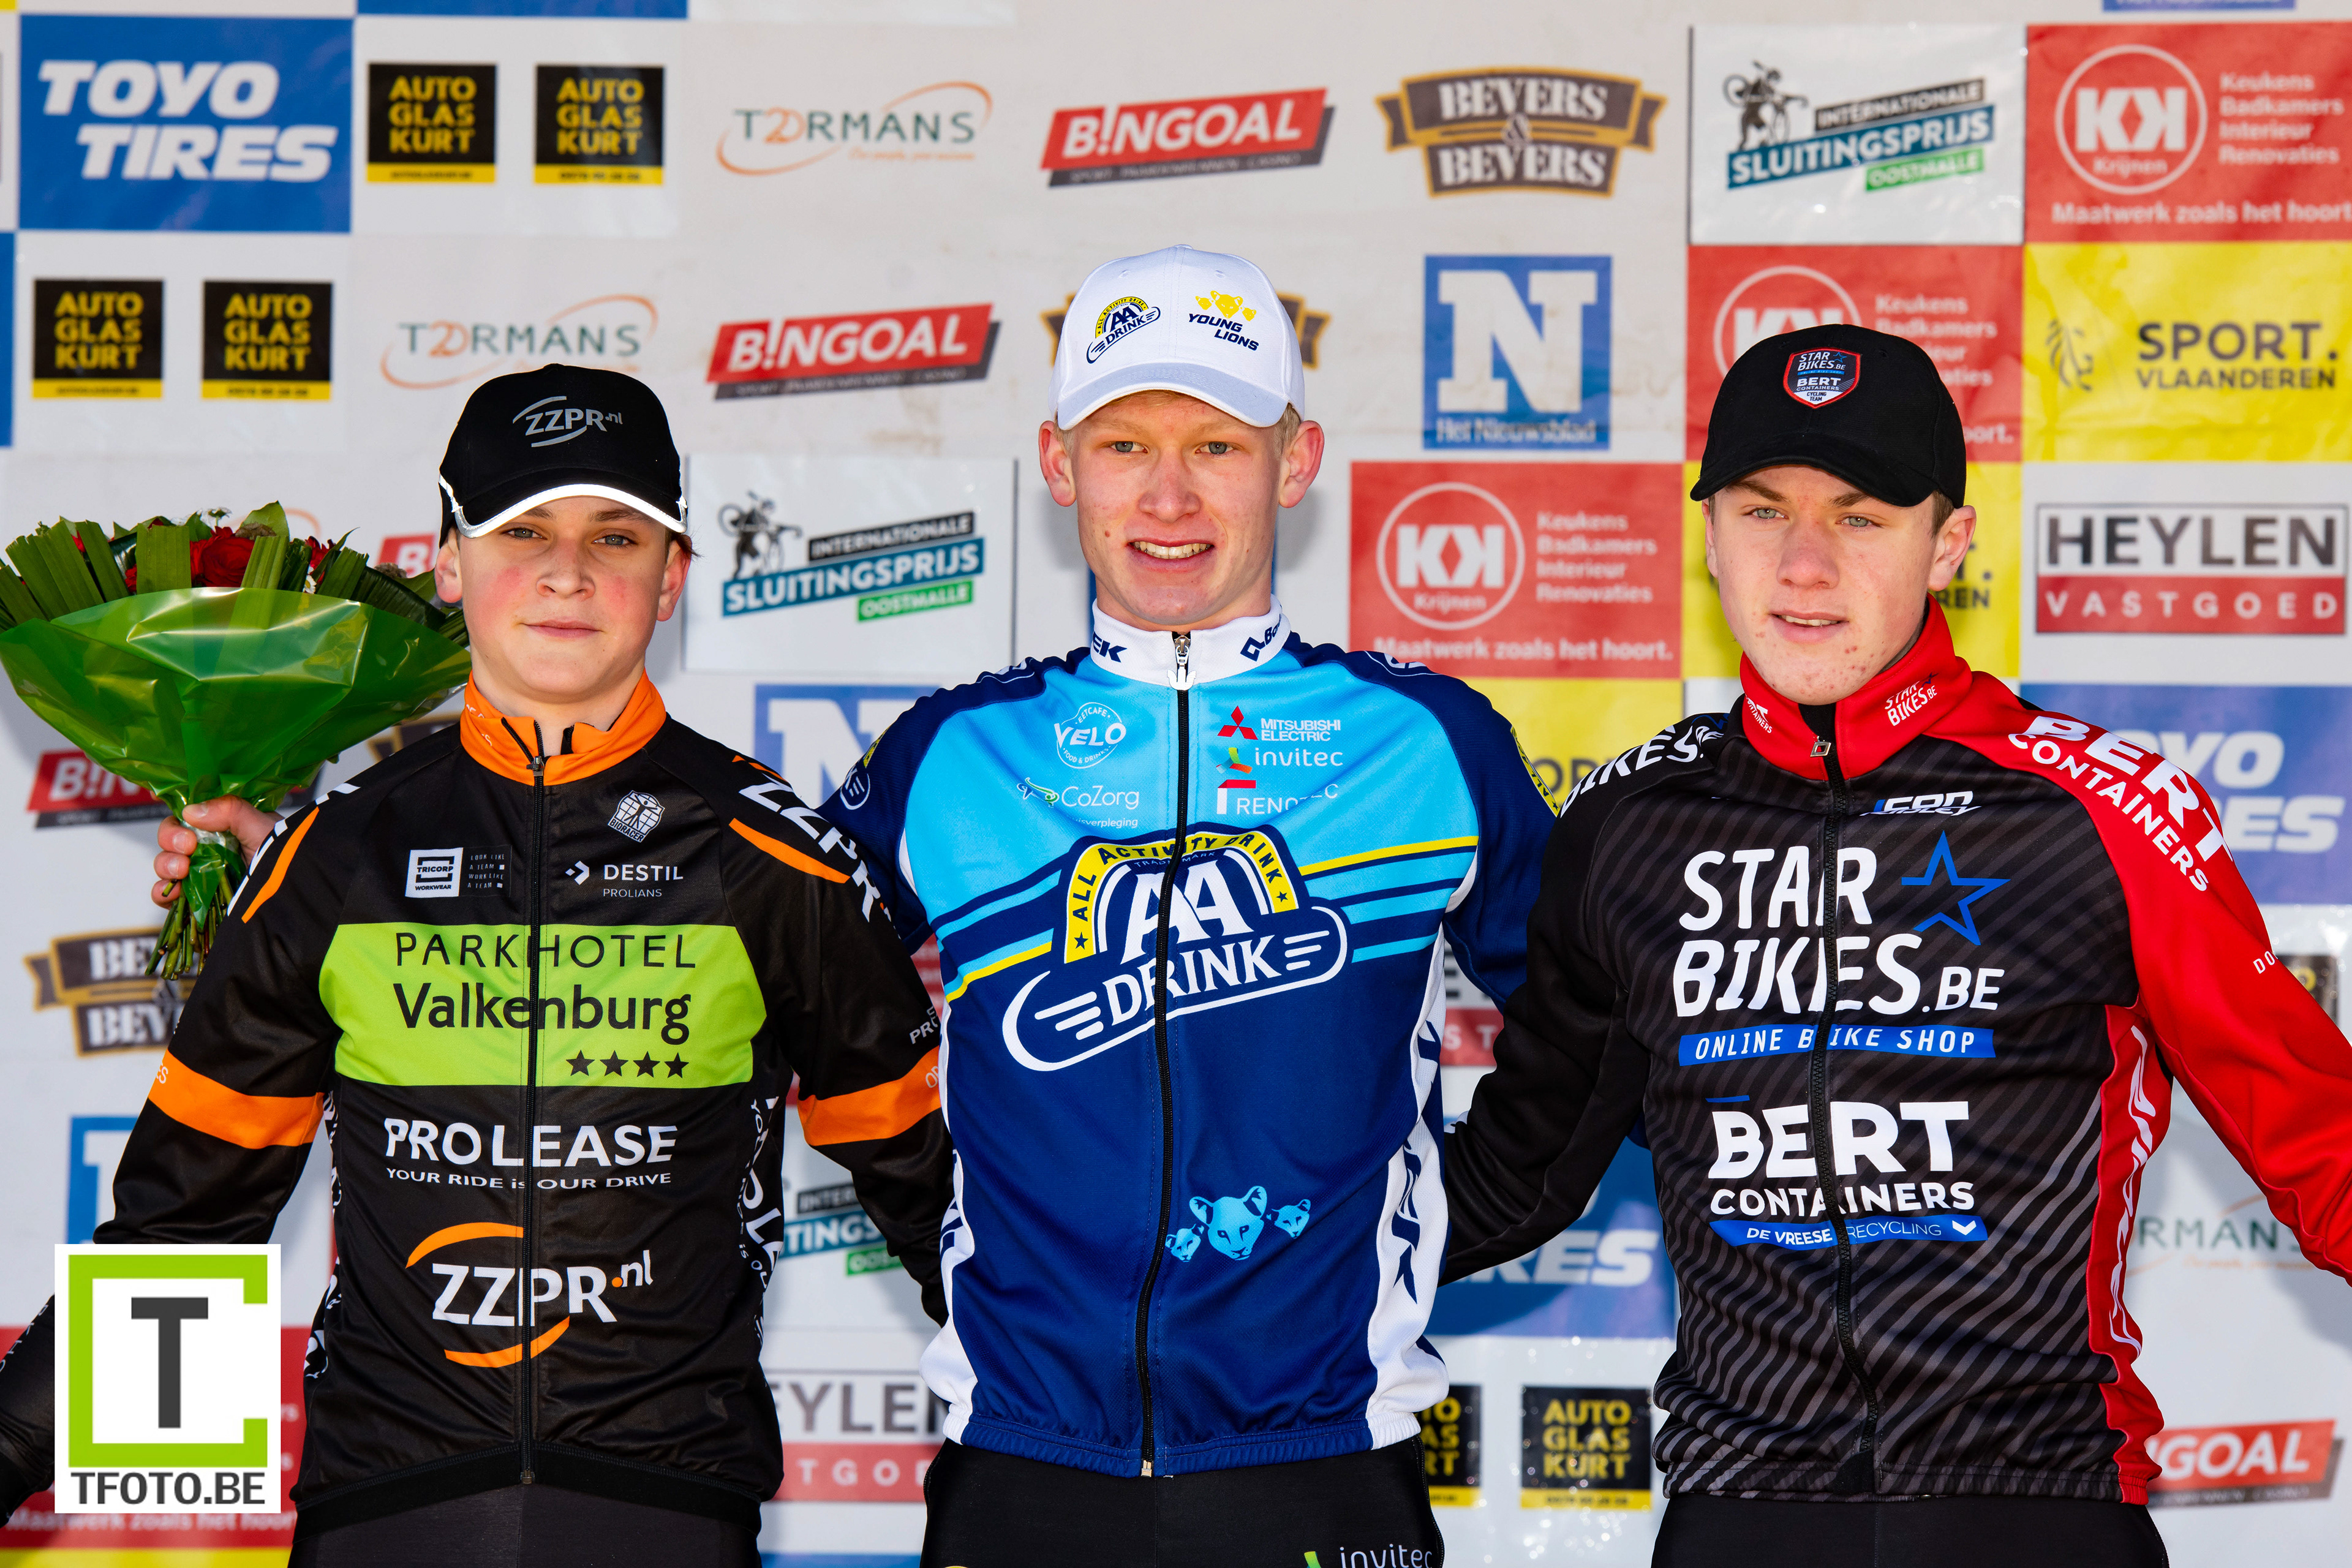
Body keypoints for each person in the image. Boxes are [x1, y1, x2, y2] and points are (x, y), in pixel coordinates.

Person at [0, 365, 953, 1566]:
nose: (568, 572)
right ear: (449, 563)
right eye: (522, 531)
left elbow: (933, 1199)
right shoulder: (332, 855)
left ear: (674, 575)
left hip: (663, 1510)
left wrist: (1099, 1445)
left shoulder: (776, 858)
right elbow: (185, 1228)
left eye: (616, 536)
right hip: (383, 1506)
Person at [1440, 323, 2352, 1567]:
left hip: (2032, 1504)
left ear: (1950, 541)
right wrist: (1226, 1276)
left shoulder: (2100, 811)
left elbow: (2320, 1138)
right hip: (1739, 1518)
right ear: (1709, 533)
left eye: (1861, 517)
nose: (1804, 565)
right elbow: (1518, 1171)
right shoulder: (1626, 826)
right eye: (1764, 511)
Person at [822, 244, 1556, 1566]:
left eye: (1218, 445)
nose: (1169, 495)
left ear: (1295, 461)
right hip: (1024, 1464)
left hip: (1325, 1460)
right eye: (1125, 446)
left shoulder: (1422, 741)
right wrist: (956, 1229)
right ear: (1059, 466)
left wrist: (1446, 1216)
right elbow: (809, 1001)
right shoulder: (953, 754)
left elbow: (1593, 1021)